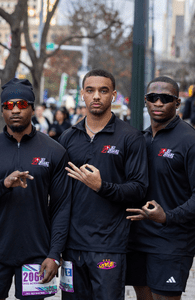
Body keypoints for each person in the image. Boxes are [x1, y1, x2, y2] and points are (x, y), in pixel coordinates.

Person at [0, 78, 72, 300]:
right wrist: (3, 185)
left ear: (33, 108)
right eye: (8, 105)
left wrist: (54, 254)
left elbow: (61, 207)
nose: (15, 110)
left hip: (36, 253)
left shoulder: (54, 150)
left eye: (22, 104)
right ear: (1, 109)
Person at [58, 69, 148, 300]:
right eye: (90, 90)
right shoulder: (68, 137)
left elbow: (139, 189)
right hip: (72, 246)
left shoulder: (130, 137)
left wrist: (101, 186)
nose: (96, 96)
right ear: (82, 95)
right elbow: (58, 194)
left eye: (103, 90)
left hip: (109, 245)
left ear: (114, 95)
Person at [125, 76, 195, 300]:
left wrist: (167, 217)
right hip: (138, 238)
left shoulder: (192, 143)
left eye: (166, 98)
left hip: (173, 240)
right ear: (146, 101)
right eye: (153, 98)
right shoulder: (140, 139)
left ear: (178, 103)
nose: (159, 103)